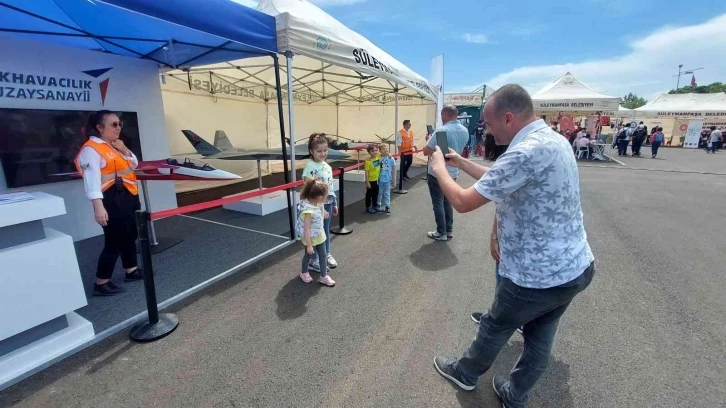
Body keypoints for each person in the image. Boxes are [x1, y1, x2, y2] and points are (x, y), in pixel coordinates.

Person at [429, 85, 595, 407]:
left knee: (495, 325)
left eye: (489, 124)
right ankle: (515, 395)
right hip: (574, 267)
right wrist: (461, 163)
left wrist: (439, 168)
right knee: (540, 336)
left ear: (508, 118)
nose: (487, 130)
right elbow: (501, 177)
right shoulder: (552, 140)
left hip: (536, 275)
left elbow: (463, 201)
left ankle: (465, 373)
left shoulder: (523, 152)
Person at [74, 110, 143, 296]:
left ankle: (131, 270)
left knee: (129, 235)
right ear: (99, 127)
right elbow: (92, 180)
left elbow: (133, 164)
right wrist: (98, 207)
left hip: (128, 196)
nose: (118, 127)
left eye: (120, 124)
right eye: (113, 124)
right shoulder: (91, 149)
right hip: (111, 199)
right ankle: (101, 282)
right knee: (114, 240)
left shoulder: (113, 146)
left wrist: (125, 149)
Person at [422, 104, 470, 241]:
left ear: (445, 114)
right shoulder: (464, 130)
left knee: (438, 202)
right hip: (453, 170)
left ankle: (441, 232)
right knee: (447, 201)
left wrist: (428, 140)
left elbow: (427, 151)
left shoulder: (442, 130)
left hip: (438, 171)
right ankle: (448, 230)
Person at [302, 133, 339, 271]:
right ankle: (314, 259)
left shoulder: (327, 166)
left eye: (325, 150)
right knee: (315, 232)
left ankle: (326, 254)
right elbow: (309, 190)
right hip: (316, 206)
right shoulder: (310, 167)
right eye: (319, 151)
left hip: (328, 202)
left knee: (325, 231)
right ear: (311, 151)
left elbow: (330, 186)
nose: (322, 153)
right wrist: (320, 207)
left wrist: (334, 202)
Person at [296, 179, 335, 287]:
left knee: (322, 255)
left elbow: (321, 208)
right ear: (318, 196)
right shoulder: (308, 210)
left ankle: (324, 276)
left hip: (319, 233)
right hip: (310, 238)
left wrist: (325, 212)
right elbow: (306, 230)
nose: (325, 197)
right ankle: (304, 272)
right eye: (323, 195)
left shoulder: (317, 203)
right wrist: (309, 245)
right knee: (308, 255)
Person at [377, 144, 396, 213]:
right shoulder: (378, 158)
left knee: (387, 193)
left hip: (388, 179)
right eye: (383, 149)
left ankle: (387, 206)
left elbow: (393, 169)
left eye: (386, 148)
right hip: (380, 179)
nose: (385, 150)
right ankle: (378, 205)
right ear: (380, 151)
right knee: (379, 193)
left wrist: (394, 179)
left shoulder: (391, 158)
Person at [364, 144, 381, 213]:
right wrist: (367, 182)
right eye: (372, 151)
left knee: (376, 194)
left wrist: (389, 154)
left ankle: (375, 205)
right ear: (369, 152)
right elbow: (366, 172)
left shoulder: (378, 157)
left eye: (376, 150)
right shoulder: (368, 161)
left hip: (376, 180)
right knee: (369, 194)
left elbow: (385, 153)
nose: (375, 152)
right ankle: (368, 207)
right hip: (370, 181)